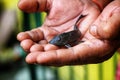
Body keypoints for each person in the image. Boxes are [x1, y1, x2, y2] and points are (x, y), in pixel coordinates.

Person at [17, 0, 120, 66]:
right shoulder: (59, 40)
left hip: (75, 35)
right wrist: (95, 2)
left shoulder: (64, 39)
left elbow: (68, 41)